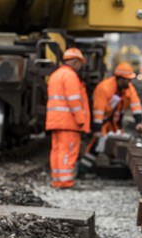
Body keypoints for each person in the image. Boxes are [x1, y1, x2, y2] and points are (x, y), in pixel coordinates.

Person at [45, 47, 91, 188]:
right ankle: (66, 181)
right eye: (80, 63)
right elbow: (74, 101)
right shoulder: (70, 76)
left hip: (55, 121)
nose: (80, 67)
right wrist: (81, 120)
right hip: (68, 122)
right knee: (68, 151)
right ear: (75, 62)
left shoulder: (55, 75)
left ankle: (57, 180)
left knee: (57, 150)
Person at [86, 62, 142, 153]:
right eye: (128, 79)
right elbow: (99, 111)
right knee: (97, 146)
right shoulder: (105, 88)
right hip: (102, 122)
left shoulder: (128, 88)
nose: (130, 82)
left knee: (114, 146)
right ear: (121, 79)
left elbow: (135, 104)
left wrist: (139, 122)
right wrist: (97, 130)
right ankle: (87, 163)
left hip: (114, 123)